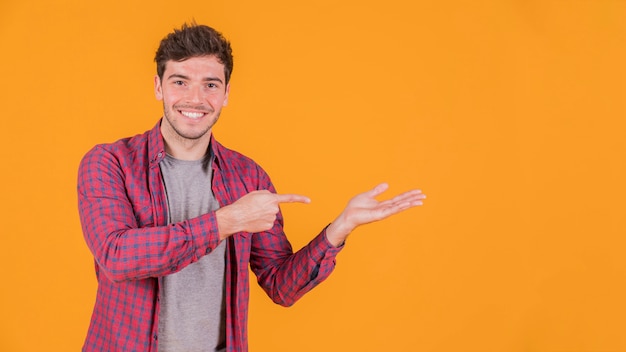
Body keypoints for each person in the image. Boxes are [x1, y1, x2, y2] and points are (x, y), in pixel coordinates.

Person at [77, 23, 426, 352]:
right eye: (180, 82)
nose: (195, 98)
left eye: (210, 85)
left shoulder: (247, 176)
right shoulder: (111, 163)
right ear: (158, 87)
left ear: (226, 93)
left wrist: (339, 229)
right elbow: (117, 257)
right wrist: (226, 221)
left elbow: (280, 285)